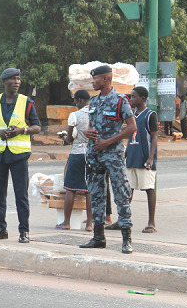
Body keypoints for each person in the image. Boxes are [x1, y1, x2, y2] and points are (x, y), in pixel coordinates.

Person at [80, 65, 136, 254]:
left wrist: (109, 142)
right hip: (94, 154)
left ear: (105, 79)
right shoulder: (94, 101)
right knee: (96, 195)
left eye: (95, 79)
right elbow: (91, 125)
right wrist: (87, 132)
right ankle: (98, 237)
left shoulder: (120, 101)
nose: (92, 82)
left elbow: (131, 127)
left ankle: (126, 239)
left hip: (113, 155)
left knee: (120, 193)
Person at [0, 68, 41, 243]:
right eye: (13, 79)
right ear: (4, 82)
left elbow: (37, 127)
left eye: (18, 79)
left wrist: (22, 130)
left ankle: (24, 231)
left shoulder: (26, 102)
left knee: (20, 194)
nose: (17, 82)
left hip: (19, 155)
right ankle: (1, 229)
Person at [58, 90, 93, 232]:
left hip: (77, 153)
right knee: (89, 190)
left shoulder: (74, 115)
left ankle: (66, 222)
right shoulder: (94, 114)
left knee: (71, 188)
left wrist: (65, 138)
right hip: (91, 153)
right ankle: (90, 224)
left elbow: (70, 138)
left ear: (79, 100)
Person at [125, 86, 158, 233]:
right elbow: (130, 135)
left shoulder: (150, 115)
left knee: (149, 188)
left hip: (144, 157)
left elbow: (154, 136)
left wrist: (151, 157)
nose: (131, 99)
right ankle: (123, 219)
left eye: (134, 97)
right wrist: (125, 152)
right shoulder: (131, 115)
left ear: (142, 99)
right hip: (132, 156)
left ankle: (151, 222)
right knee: (128, 190)